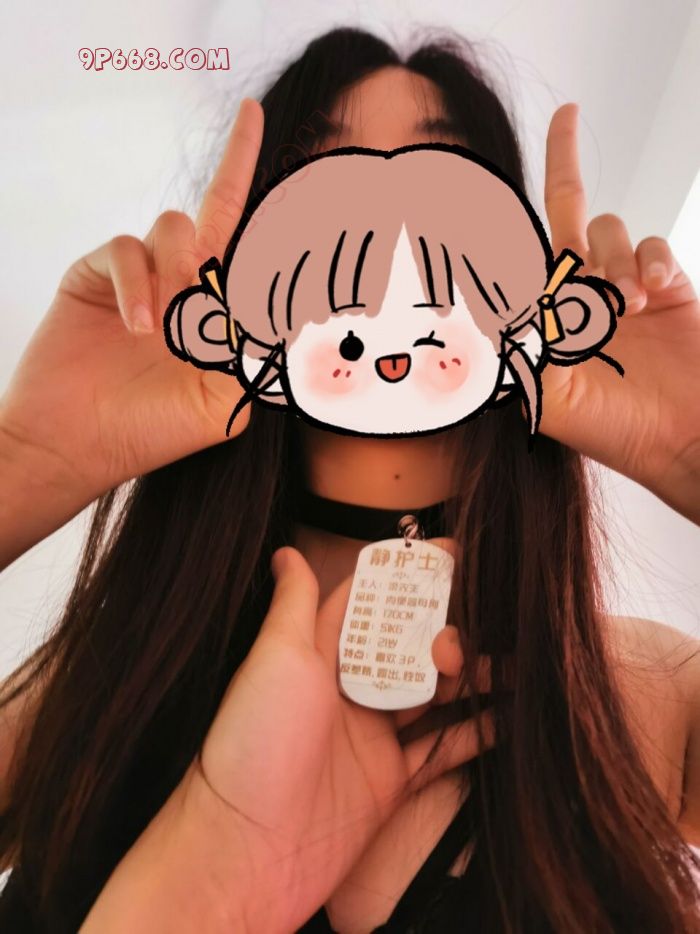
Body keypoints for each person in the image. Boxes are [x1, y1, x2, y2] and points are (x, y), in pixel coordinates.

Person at [0, 24, 699, 933]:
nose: (384, 215)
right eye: (323, 172)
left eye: (443, 172)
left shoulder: (641, 695)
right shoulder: (102, 688)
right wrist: (24, 465)